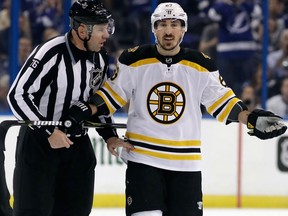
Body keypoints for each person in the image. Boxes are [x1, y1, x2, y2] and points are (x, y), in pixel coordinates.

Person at [62, 2, 286, 216]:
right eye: (162, 24)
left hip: (186, 164)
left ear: (184, 30)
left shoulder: (201, 65)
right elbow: (111, 96)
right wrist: (86, 109)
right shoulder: (134, 59)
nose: (169, 31)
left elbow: (223, 103)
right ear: (154, 29)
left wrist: (250, 119)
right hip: (143, 159)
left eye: (175, 24)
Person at [6, 1, 131, 215]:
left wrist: (109, 135)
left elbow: (98, 102)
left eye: (107, 28)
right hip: (39, 145)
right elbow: (17, 95)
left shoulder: (100, 57)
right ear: (82, 30)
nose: (106, 35)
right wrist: (49, 131)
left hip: (77, 145)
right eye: (101, 29)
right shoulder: (51, 52)